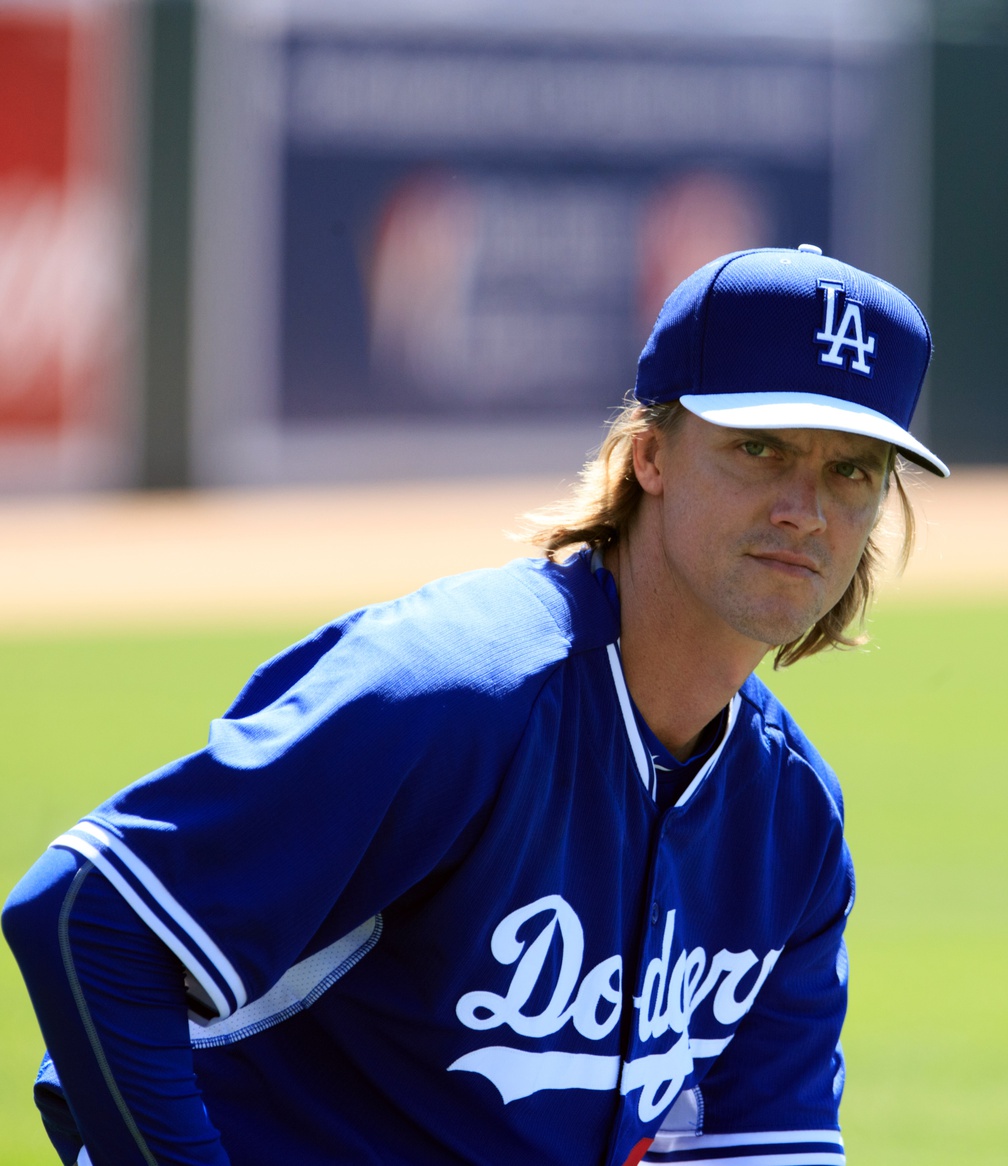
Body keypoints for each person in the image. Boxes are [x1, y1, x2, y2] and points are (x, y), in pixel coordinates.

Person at [2, 245, 948, 1166]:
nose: (805, 508)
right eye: (758, 448)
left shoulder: (789, 820)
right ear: (650, 454)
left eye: (851, 470)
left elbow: (755, 1143)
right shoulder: (460, 692)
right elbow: (87, 912)